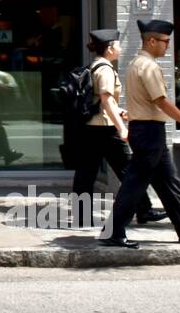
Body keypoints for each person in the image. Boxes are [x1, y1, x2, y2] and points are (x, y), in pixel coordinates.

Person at [101, 19, 180, 248]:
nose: (167, 46)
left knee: (169, 183)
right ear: (151, 41)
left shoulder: (137, 63)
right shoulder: (149, 66)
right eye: (164, 41)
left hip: (149, 130)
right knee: (135, 183)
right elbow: (161, 101)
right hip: (148, 130)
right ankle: (113, 232)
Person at [69, 28, 166, 228]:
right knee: (130, 170)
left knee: (86, 173)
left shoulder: (95, 65)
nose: (121, 49)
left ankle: (82, 216)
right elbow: (106, 99)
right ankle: (144, 210)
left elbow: (103, 100)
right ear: (110, 48)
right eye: (118, 45)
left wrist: (119, 111)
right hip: (105, 128)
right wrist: (122, 127)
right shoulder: (105, 68)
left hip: (91, 127)